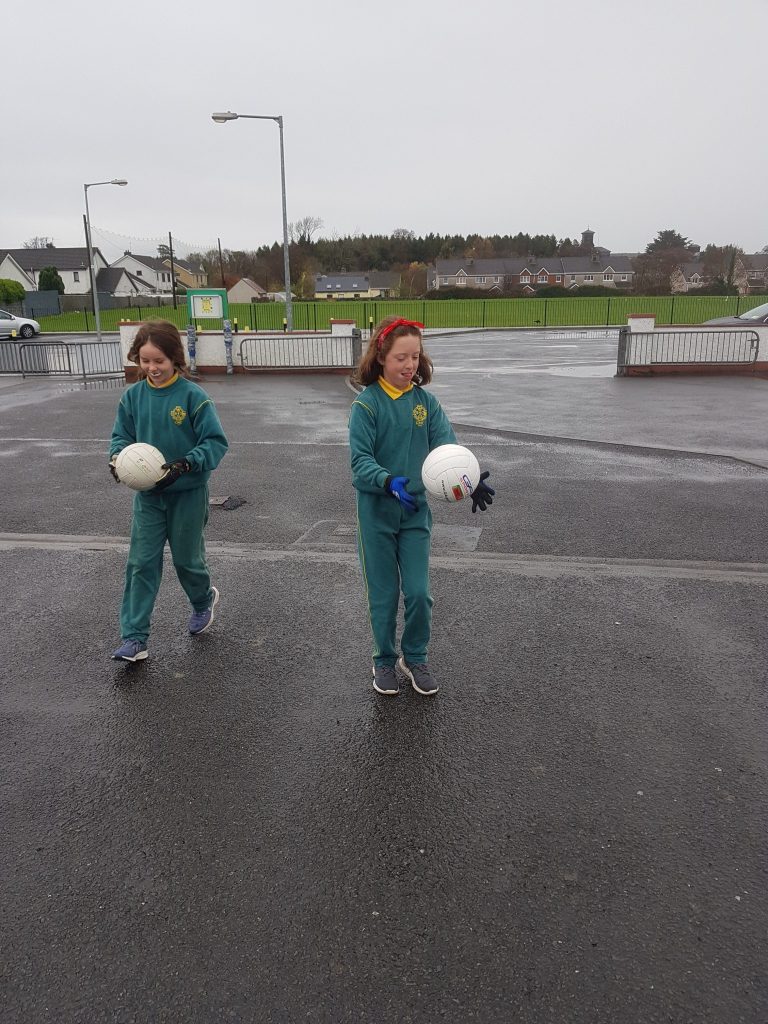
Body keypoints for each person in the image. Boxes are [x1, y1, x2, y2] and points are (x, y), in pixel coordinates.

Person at [349, 316, 495, 697]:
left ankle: (414, 657)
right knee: (384, 595)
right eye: (401, 357)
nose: (409, 364)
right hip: (376, 516)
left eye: (415, 356)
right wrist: (387, 481)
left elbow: (448, 449)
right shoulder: (366, 406)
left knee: (418, 593)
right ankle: (383, 660)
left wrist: (470, 480)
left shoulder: (426, 404)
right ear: (381, 357)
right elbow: (360, 462)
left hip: (414, 514)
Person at [109, 319, 229, 662]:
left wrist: (187, 463)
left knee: (187, 561)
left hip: (187, 494)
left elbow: (215, 443)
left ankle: (203, 600)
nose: (152, 368)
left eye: (159, 361)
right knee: (141, 563)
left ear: (175, 358)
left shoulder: (194, 397)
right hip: (149, 497)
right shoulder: (132, 397)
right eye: (145, 360)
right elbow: (121, 437)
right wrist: (116, 459)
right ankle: (134, 638)